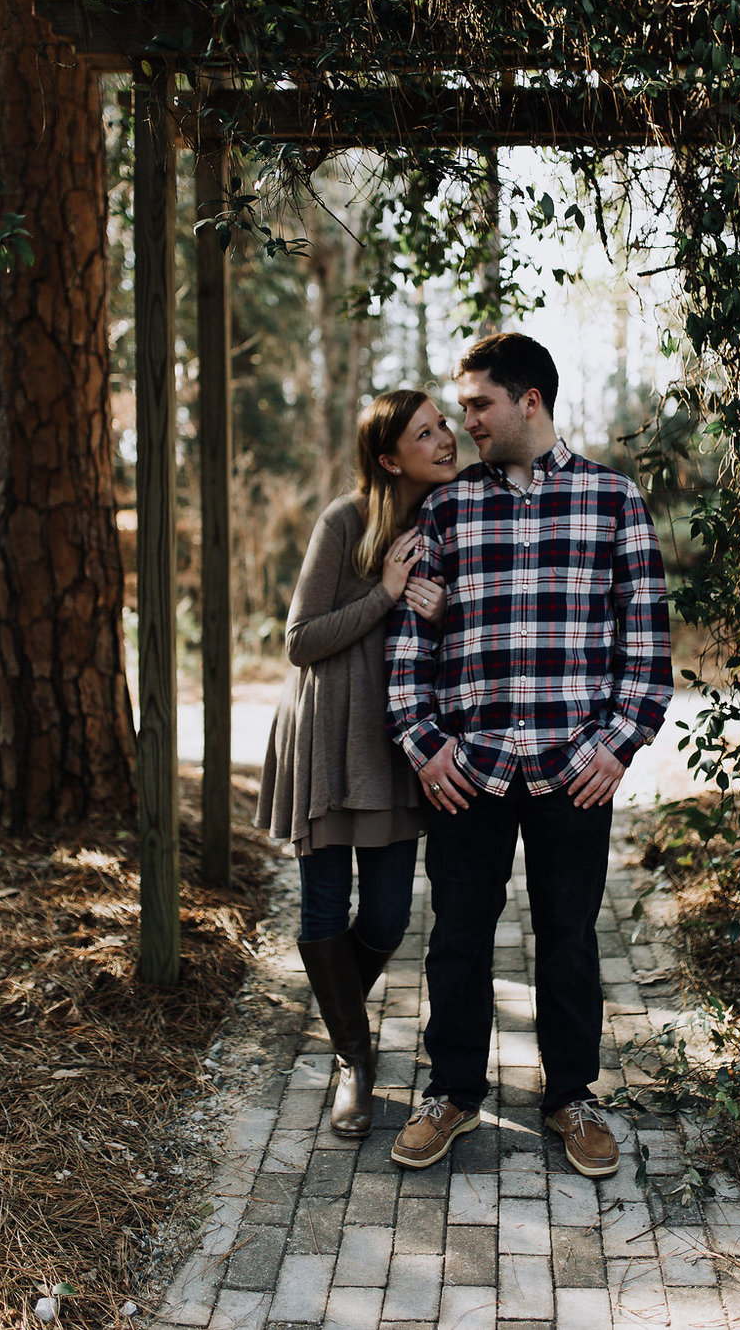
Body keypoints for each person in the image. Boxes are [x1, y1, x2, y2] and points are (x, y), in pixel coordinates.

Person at [386, 332, 673, 1175]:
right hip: (466, 770)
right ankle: (453, 1094)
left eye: (478, 404)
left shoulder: (612, 502)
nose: (463, 422)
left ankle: (571, 1098)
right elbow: (411, 649)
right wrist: (423, 744)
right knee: (457, 940)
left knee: (571, 938)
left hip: (572, 769)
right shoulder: (444, 510)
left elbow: (647, 654)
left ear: (529, 403)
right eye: (462, 406)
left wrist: (617, 748)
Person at [256, 389, 457, 1139]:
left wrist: (439, 613)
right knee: (322, 908)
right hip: (330, 732)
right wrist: (385, 595)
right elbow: (300, 638)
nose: (445, 441)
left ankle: (341, 1025)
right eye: (425, 433)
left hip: (396, 741)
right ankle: (354, 1062)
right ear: (387, 456)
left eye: (443, 427)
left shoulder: (447, 518)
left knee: (387, 915)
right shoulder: (346, 520)